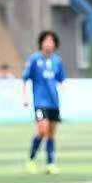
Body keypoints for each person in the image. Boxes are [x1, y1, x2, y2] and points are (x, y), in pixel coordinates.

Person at [21, 30, 66, 174]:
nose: (49, 43)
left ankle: (50, 164)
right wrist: (25, 97)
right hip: (40, 103)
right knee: (42, 130)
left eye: (51, 41)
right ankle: (31, 160)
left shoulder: (57, 61)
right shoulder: (34, 59)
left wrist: (63, 92)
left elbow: (61, 80)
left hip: (54, 103)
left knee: (51, 133)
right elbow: (25, 78)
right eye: (46, 40)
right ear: (41, 43)